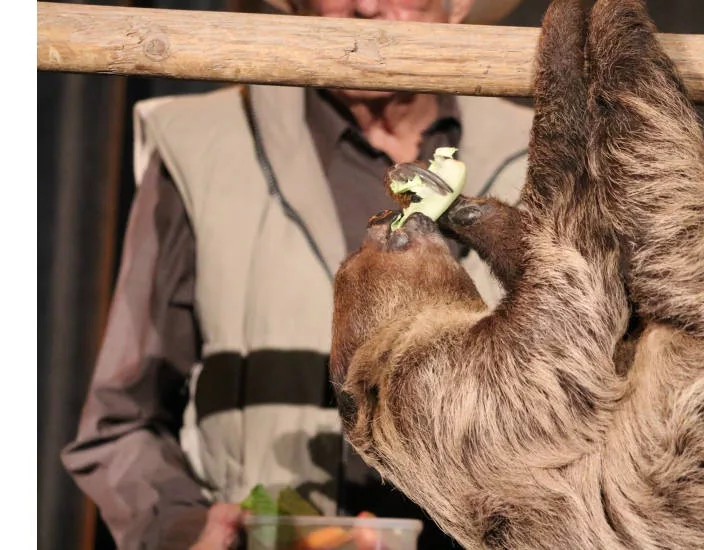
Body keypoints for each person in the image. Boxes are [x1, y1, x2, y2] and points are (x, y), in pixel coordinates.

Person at [60, 0, 532, 548]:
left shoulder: (545, 153)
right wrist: (183, 527)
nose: (367, 7)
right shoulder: (205, 144)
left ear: (459, 8)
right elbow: (120, 424)